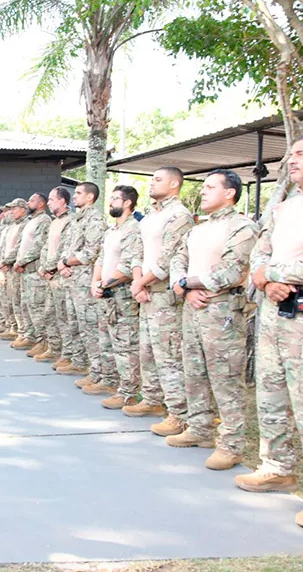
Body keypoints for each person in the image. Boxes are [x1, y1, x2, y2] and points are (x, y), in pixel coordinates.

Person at [239, 132, 303, 533]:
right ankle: (276, 466)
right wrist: (264, 282)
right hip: (273, 317)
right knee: (271, 394)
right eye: (292, 154)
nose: (293, 160)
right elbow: (258, 254)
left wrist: (275, 274)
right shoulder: (283, 207)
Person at [168, 170, 258, 470]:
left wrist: (188, 284)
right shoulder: (197, 229)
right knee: (193, 372)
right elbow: (177, 259)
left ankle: (231, 444)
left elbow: (233, 270)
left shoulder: (242, 226)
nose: (203, 191)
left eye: (209, 187)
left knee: (226, 379)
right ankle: (200, 428)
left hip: (221, 312)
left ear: (230, 193)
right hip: (193, 307)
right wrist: (183, 287)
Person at [127, 167, 194, 434]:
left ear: (175, 183)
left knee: (168, 355)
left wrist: (140, 283)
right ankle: (153, 399)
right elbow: (137, 252)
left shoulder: (179, 215)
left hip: (165, 295)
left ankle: (178, 413)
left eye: (157, 179)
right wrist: (137, 281)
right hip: (145, 291)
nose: (152, 183)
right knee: (147, 351)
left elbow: (167, 258)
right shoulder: (151, 215)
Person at [85, 185, 142, 410]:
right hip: (105, 294)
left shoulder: (133, 229)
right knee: (106, 341)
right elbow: (100, 259)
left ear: (128, 203)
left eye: (116, 199)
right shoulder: (111, 231)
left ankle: (128, 392)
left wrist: (104, 284)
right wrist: (95, 283)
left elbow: (128, 266)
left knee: (125, 345)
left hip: (122, 297)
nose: (111, 202)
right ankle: (109, 382)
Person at [56, 182, 106, 378]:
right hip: (71, 279)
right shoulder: (76, 219)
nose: (74, 196)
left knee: (89, 327)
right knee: (74, 324)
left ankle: (98, 373)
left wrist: (66, 262)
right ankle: (78, 362)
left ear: (90, 197)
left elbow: (92, 252)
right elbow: (67, 247)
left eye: (78, 193)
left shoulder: (94, 219)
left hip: (85, 281)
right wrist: (62, 264)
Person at [36, 187, 73, 364]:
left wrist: (49, 268)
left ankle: (68, 354)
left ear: (62, 201)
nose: (48, 203)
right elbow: (45, 247)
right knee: (49, 314)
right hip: (49, 275)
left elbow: (64, 250)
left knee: (64, 318)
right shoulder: (54, 222)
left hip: (60, 276)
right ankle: (53, 348)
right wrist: (43, 268)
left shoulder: (70, 221)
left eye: (51, 200)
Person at [13, 193, 51, 354]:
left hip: (34, 270)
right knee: (26, 305)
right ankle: (30, 336)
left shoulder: (44, 220)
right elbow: (22, 244)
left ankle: (42, 341)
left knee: (37, 309)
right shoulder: (31, 221)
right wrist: (18, 260)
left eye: (32, 200)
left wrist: (21, 261)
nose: (29, 203)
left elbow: (38, 245)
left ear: (41, 204)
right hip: (24, 270)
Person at [0, 199, 30, 342]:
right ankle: (13, 327)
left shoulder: (25, 224)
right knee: (10, 299)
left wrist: (6, 261)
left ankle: (21, 331)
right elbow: (4, 246)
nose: (11, 212)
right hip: (8, 266)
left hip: (16, 267)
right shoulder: (13, 226)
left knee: (18, 301)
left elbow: (18, 247)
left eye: (14, 209)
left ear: (23, 209)